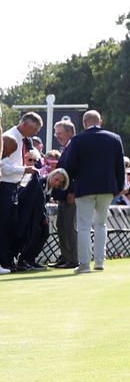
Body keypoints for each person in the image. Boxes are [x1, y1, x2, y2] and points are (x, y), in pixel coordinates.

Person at [57, 110, 125, 274]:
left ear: (84, 123)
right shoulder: (114, 138)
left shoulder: (78, 140)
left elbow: (70, 167)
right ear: (100, 121)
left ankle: (85, 264)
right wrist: (119, 187)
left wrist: (70, 189)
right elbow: (119, 165)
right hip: (107, 188)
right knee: (101, 224)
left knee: (84, 227)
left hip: (84, 189)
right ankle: (100, 261)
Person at [1, 111, 44, 273]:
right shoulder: (10, 138)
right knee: (5, 226)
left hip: (12, 187)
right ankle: (3, 262)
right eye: (34, 129)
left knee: (11, 225)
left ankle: (7, 261)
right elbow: (2, 166)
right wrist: (24, 169)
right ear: (25, 125)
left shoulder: (21, 139)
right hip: (4, 186)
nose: (35, 133)